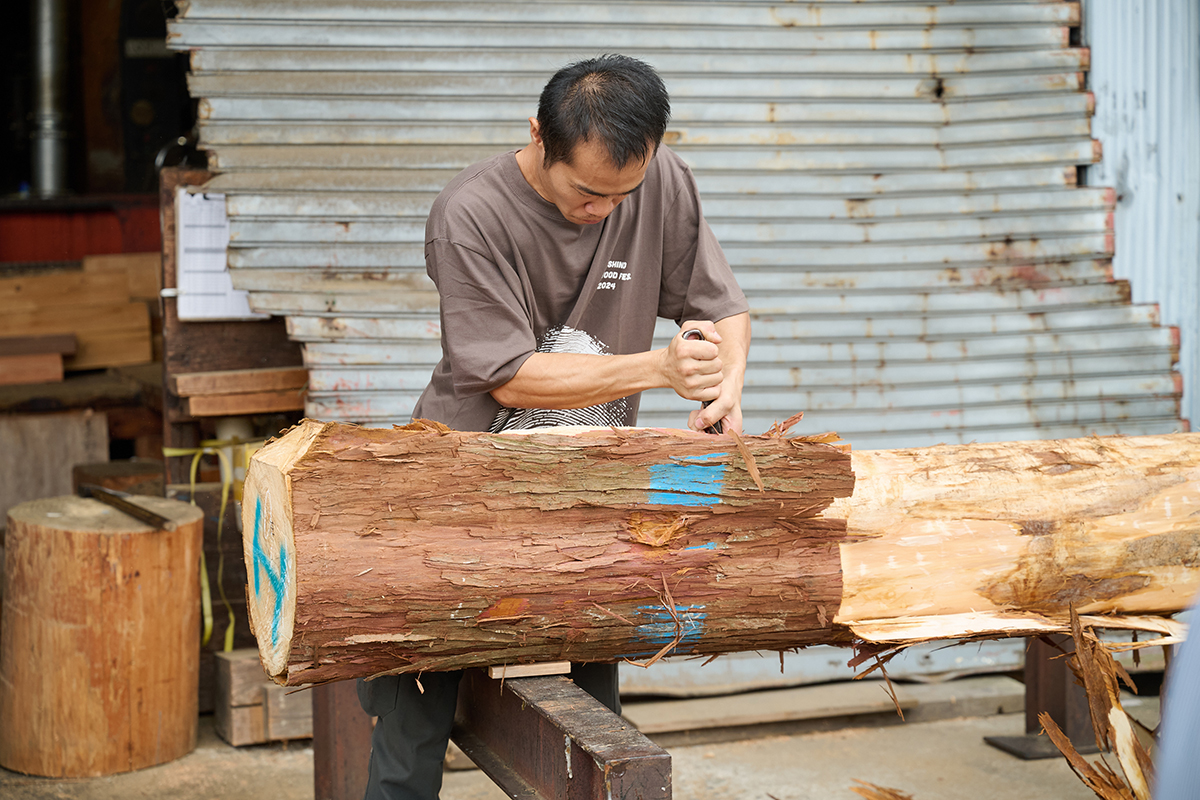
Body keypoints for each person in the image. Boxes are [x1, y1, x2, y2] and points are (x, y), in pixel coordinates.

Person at [357, 54, 751, 800]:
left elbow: (721, 307)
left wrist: (722, 386)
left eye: (621, 195)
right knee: (417, 709)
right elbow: (507, 374)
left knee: (593, 717)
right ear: (539, 136)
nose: (603, 210)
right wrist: (659, 371)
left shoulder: (661, 180)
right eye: (586, 194)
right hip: (466, 482)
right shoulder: (469, 213)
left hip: (588, 486)